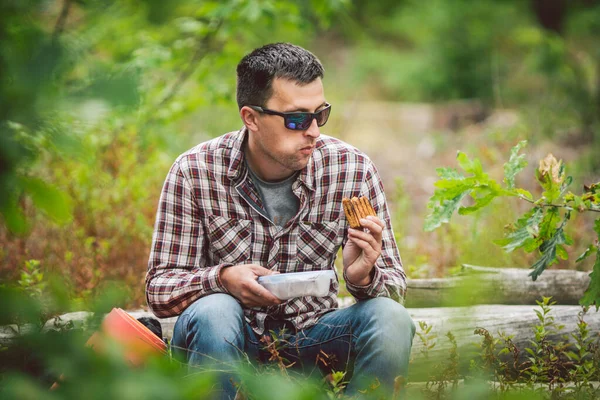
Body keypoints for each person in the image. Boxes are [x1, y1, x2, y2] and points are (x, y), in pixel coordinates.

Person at [145, 42, 415, 399]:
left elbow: (395, 288)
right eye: (297, 119)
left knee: (391, 318)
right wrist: (222, 279)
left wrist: (362, 276)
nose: (314, 131)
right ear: (251, 118)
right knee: (215, 309)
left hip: (314, 337)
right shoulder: (195, 171)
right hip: (229, 340)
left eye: (321, 115)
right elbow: (159, 288)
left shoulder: (351, 169)